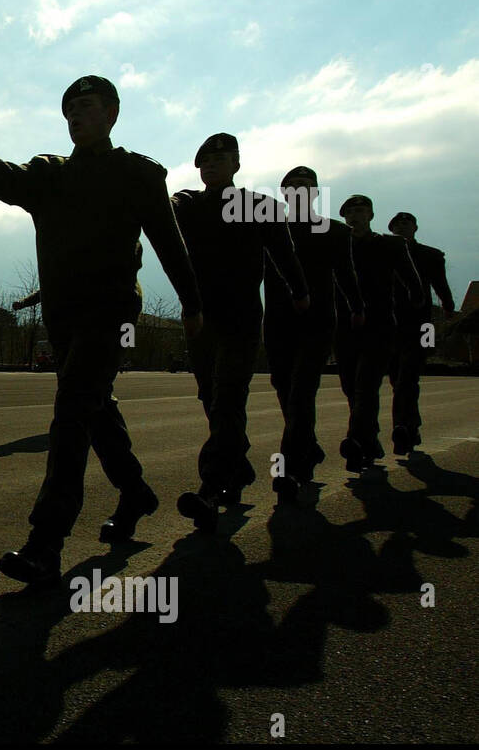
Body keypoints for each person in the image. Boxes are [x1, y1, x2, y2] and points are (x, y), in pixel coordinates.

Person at [0, 74, 202, 584]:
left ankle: (46, 543)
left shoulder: (137, 174)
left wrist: (192, 307)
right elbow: (2, 176)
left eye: (85, 105)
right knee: (94, 409)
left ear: (112, 114)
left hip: (111, 315)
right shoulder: (49, 174)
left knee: (71, 415)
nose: (74, 115)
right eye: (69, 109)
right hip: (64, 317)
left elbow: (170, 244)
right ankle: (136, 493)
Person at [170, 133, 309, 532]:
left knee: (229, 396)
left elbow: (284, 253)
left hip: (242, 319)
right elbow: (159, 215)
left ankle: (211, 487)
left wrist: (300, 293)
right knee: (211, 398)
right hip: (199, 319)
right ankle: (240, 467)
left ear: (236, 164)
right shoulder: (187, 205)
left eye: (220, 159)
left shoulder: (257, 206)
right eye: (204, 162)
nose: (210, 166)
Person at [263, 166, 363, 504]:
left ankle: (290, 467)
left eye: (306, 186)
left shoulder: (335, 232)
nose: (299, 190)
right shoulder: (268, 228)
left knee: (302, 391)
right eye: (292, 186)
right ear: (284, 194)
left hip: (318, 321)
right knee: (283, 386)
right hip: (277, 321)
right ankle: (309, 446)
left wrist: (357, 307)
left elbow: (346, 274)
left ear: (317, 193)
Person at [334, 195, 422, 472]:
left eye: (361, 211)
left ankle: (356, 441)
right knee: (351, 388)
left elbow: (412, 281)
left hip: (380, 326)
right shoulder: (337, 242)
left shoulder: (390, 245)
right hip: (345, 327)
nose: (355, 216)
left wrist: (416, 309)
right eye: (350, 211)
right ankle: (369, 440)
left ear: (371, 215)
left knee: (366, 385)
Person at [387, 211, 456, 455]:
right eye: (398, 223)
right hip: (390, 324)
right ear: (391, 228)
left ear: (415, 228)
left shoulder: (430, 255)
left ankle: (402, 428)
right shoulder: (383, 251)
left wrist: (449, 308)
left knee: (409, 376)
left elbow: (441, 284)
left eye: (407, 222)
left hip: (422, 324)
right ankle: (410, 426)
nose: (403, 226)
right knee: (398, 379)